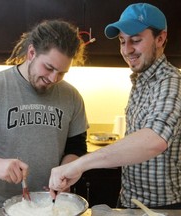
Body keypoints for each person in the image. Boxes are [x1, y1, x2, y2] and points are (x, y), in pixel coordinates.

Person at [0, 19, 88, 207]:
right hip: (0, 205)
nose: (54, 78)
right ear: (31, 53)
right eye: (49, 68)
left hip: (53, 205)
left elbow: (76, 147)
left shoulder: (72, 96)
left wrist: (67, 171)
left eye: (62, 73)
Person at [49, 3, 181, 209]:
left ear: (161, 38)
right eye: (122, 41)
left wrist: (79, 165)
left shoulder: (171, 82)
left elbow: (155, 139)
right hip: (131, 201)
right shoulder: (141, 81)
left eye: (136, 40)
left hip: (162, 208)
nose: (127, 50)